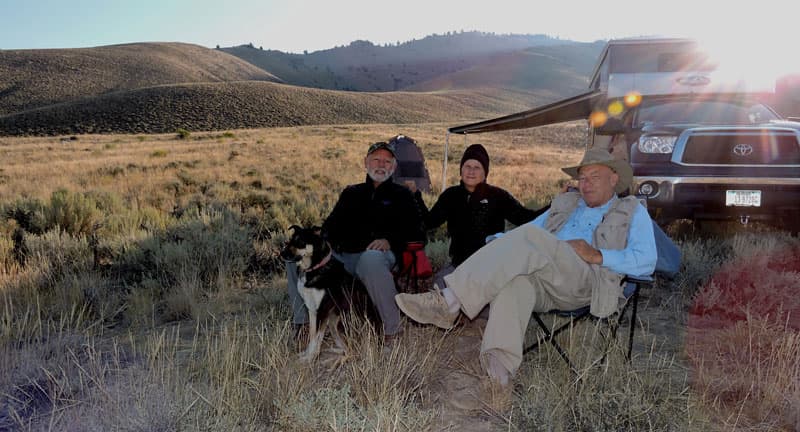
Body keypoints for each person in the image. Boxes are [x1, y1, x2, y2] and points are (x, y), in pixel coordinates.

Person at [395, 148, 657, 385]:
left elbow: (647, 260)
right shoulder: (567, 203)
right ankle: (499, 376)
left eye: (594, 177)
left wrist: (598, 255)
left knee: (531, 239)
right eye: (582, 178)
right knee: (514, 283)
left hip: (588, 281)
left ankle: (449, 302)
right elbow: (528, 229)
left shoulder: (631, 210)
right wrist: (494, 244)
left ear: (613, 178)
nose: (585, 184)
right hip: (547, 281)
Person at [287, 140, 421, 343]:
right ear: (365, 163)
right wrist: (323, 241)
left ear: (393, 167)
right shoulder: (351, 192)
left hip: (379, 256)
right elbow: (331, 225)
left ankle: (392, 329)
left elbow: (418, 232)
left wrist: (389, 240)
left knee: (371, 259)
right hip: (342, 256)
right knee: (294, 257)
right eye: (376, 160)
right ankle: (304, 323)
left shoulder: (402, 195)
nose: (381, 165)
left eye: (387, 161)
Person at [406, 143, 545, 291]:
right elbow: (429, 222)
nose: (471, 171)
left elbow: (526, 218)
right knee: (437, 293)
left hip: (489, 267)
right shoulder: (451, 196)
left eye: (477, 167)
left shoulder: (498, 196)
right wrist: (416, 195)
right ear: (461, 170)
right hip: (458, 266)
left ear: (485, 172)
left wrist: (557, 203)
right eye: (467, 166)